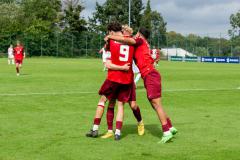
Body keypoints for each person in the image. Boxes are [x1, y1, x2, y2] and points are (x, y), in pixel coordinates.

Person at [105, 27, 178, 143]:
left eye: (137, 33)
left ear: (139, 34)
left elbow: (128, 41)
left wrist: (110, 36)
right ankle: (170, 127)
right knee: (156, 104)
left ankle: (166, 132)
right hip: (150, 75)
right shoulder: (141, 44)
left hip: (150, 74)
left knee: (156, 104)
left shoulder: (140, 40)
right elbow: (125, 43)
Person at [86, 22, 143, 140]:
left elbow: (107, 60)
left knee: (103, 101)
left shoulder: (111, 41)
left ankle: (95, 129)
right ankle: (116, 132)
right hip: (126, 79)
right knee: (120, 104)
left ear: (111, 32)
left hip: (114, 77)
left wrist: (107, 43)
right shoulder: (131, 41)